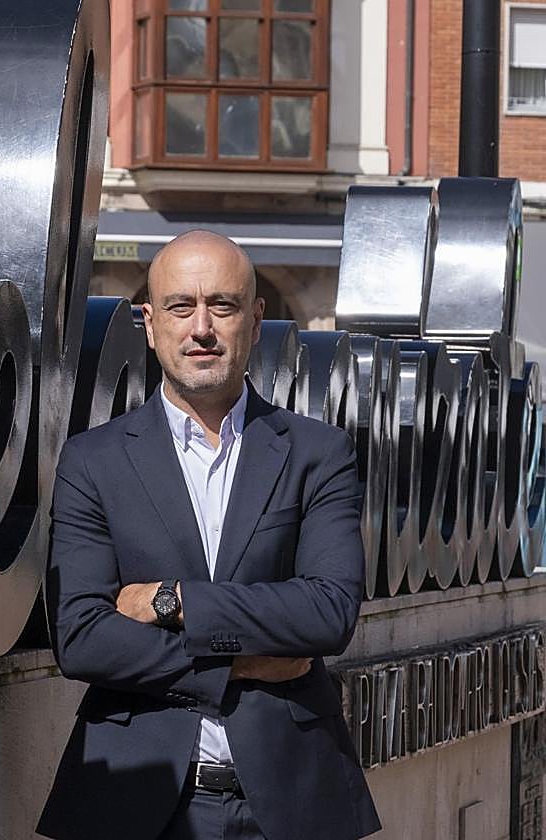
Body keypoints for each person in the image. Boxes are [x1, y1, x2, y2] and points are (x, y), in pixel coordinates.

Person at [36, 231, 380, 840]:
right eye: (180, 307)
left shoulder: (317, 454)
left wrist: (173, 601)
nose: (201, 328)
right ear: (149, 323)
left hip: (292, 803)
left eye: (221, 306)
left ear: (254, 319)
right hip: (131, 802)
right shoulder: (94, 462)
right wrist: (240, 663)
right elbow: (83, 637)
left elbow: (327, 614)